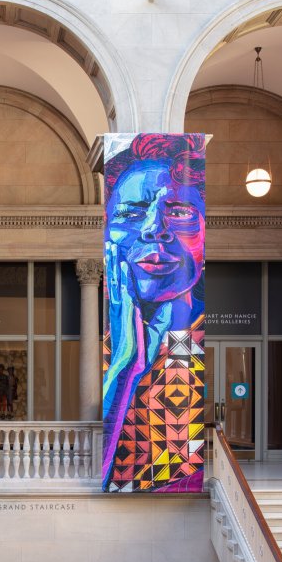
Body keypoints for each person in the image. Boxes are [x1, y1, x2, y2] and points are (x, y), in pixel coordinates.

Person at [102, 133, 206, 493]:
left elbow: (179, 477)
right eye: (130, 213)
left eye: (178, 212)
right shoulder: (108, 340)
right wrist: (124, 364)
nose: (153, 231)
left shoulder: (193, 345)